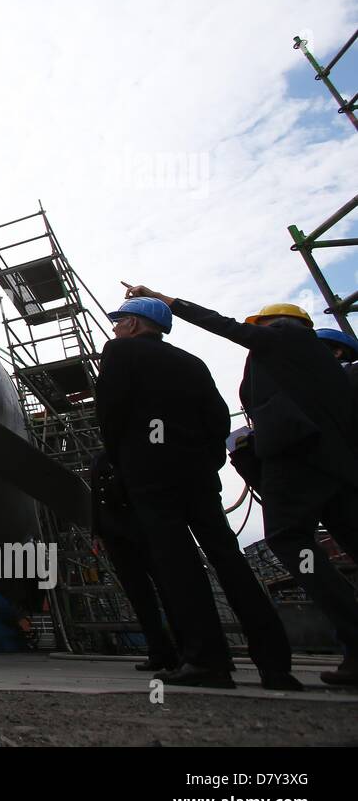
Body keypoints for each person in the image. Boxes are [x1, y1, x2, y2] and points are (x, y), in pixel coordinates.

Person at [124, 286, 358, 687]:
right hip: (335, 469)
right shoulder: (318, 373)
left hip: (297, 464)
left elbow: (227, 328)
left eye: (264, 325)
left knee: (290, 541)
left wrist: (169, 302)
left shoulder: (287, 338)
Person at [96, 296, 299, 690]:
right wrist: (205, 463)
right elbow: (218, 419)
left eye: (120, 320)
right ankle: (275, 664)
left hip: (151, 474)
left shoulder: (120, 352)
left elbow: (112, 413)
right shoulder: (192, 362)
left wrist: (124, 465)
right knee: (228, 559)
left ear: (136, 325)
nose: (116, 327)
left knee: (178, 564)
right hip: (198, 475)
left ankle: (207, 661)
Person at [89, 452, 181, 672]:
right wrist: (97, 532)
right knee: (140, 596)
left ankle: (186, 650)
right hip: (115, 535)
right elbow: (95, 498)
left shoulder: (133, 452)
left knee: (168, 591)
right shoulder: (100, 459)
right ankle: (159, 651)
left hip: (143, 528)